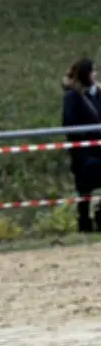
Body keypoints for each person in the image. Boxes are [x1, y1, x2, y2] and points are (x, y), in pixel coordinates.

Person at [61, 57, 101, 232]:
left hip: (99, 148)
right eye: (92, 71)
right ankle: (84, 223)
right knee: (84, 191)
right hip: (83, 153)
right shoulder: (72, 97)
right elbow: (69, 123)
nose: (95, 74)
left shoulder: (98, 93)